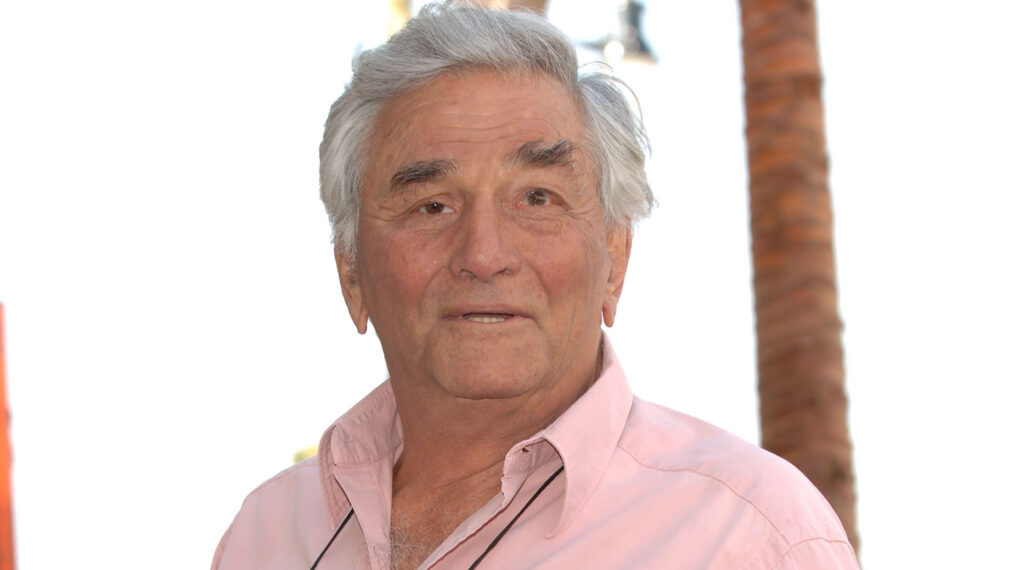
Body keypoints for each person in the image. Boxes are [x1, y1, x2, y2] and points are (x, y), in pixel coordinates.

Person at [212, 2, 860, 569]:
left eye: (538, 198)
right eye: (432, 205)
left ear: (614, 256)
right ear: (351, 269)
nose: (484, 254)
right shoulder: (266, 536)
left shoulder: (752, 540)